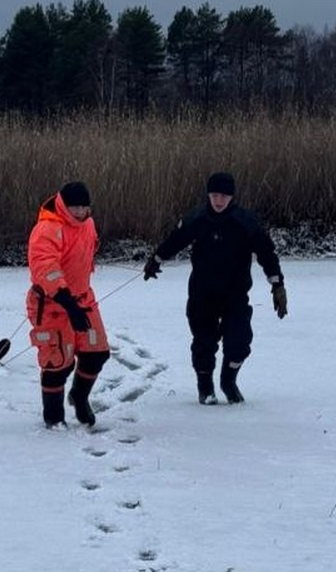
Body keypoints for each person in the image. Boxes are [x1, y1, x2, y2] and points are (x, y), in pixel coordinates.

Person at [142, 171, 288, 405]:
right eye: (215, 195)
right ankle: (205, 386)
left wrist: (277, 284)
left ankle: (228, 381)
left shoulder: (246, 222)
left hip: (235, 294)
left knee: (239, 341)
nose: (219, 200)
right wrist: (156, 259)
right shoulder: (197, 219)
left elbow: (266, 254)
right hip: (202, 293)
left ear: (232, 197)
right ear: (208, 195)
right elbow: (175, 240)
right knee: (204, 342)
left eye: (224, 196)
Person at [26, 181, 110, 428]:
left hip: (83, 298)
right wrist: (67, 302)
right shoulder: (47, 229)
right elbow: (45, 267)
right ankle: (54, 418)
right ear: (64, 205)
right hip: (51, 303)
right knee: (57, 364)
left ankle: (80, 396)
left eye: (84, 208)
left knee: (97, 352)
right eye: (75, 208)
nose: (80, 212)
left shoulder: (88, 223)